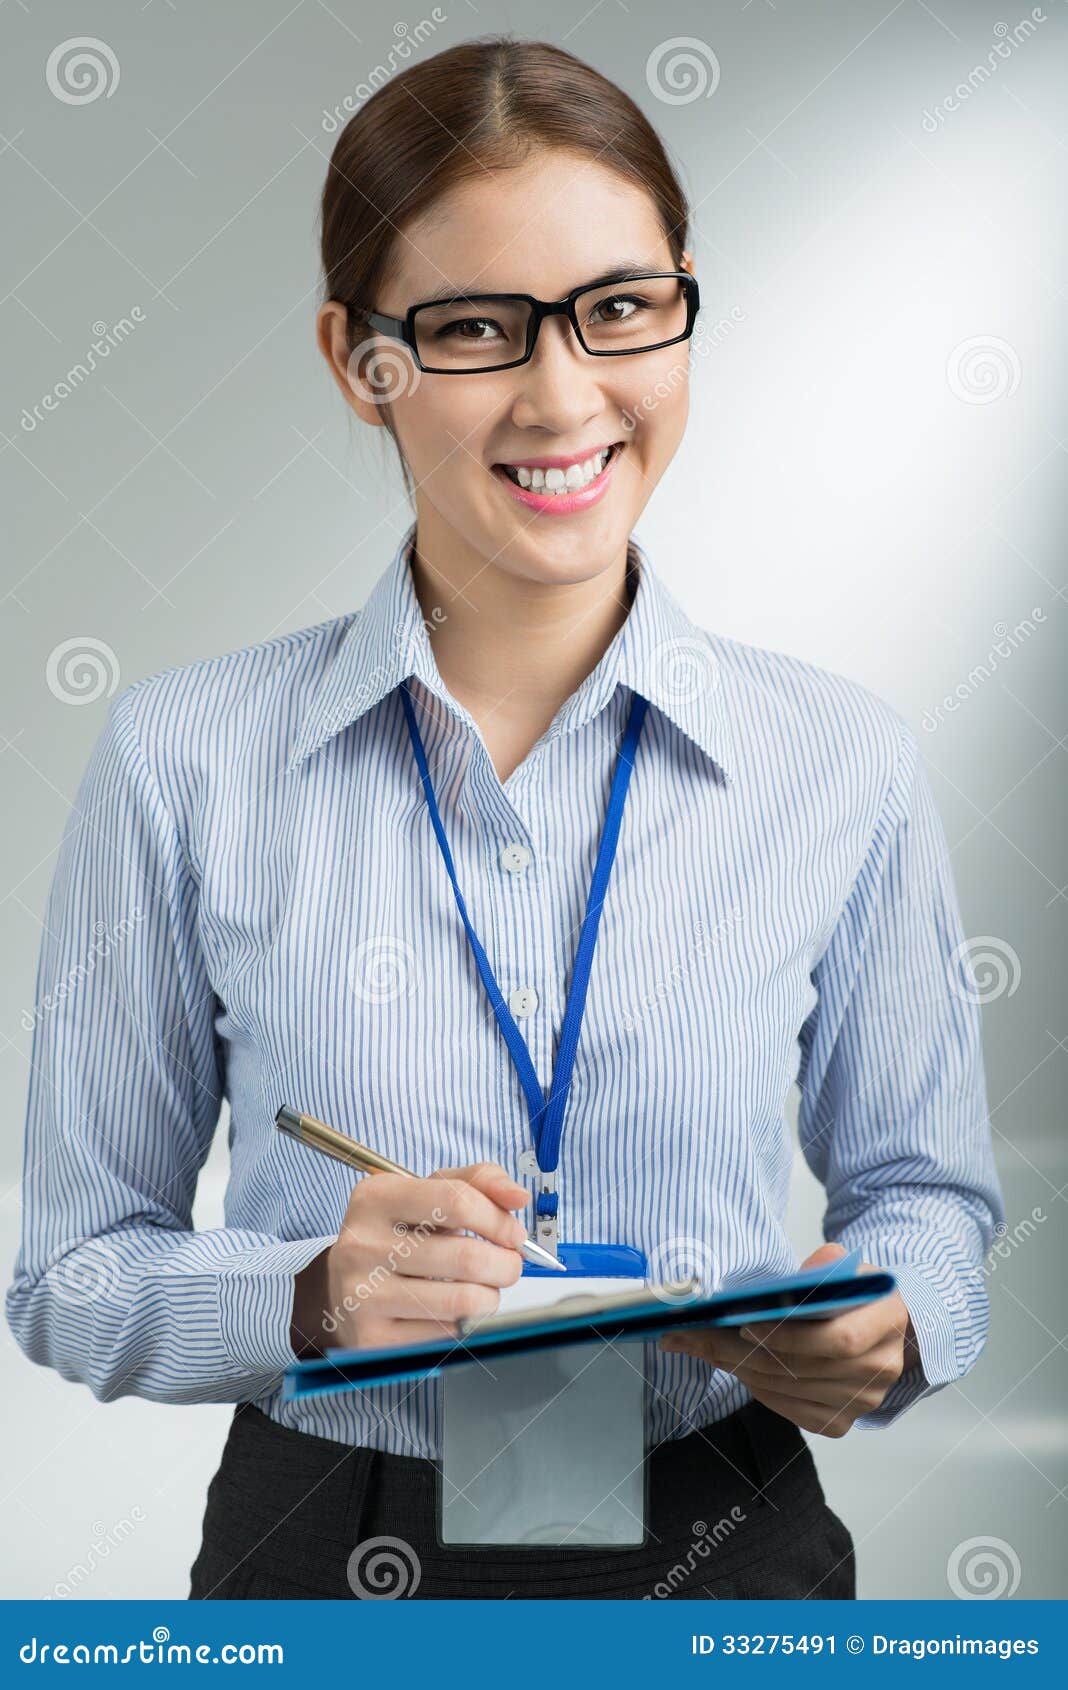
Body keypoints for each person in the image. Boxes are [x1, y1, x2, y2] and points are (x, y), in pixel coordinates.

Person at [7, 36, 1003, 1601]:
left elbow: (930, 1201)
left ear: (684, 305)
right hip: (331, 1548)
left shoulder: (840, 762)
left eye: (620, 309)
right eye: (476, 328)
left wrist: (895, 1318)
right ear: (360, 361)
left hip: (726, 1536)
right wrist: (314, 1294)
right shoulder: (182, 759)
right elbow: (71, 1273)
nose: (563, 395)